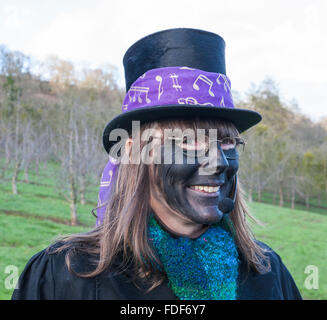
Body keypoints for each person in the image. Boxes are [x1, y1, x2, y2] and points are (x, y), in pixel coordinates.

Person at [12, 28, 302, 300]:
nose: (218, 162)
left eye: (226, 142)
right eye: (189, 141)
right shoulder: (65, 276)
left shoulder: (268, 274)